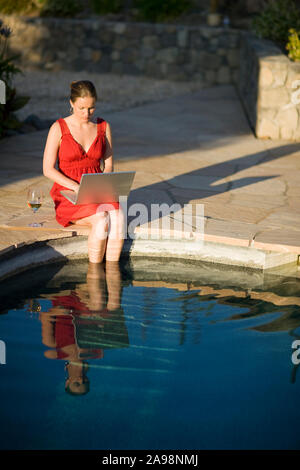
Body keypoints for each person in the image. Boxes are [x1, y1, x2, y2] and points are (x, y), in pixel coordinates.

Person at [43, 80, 125, 263]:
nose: (86, 113)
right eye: (81, 108)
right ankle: (94, 278)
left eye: (91, 108)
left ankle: (113, 279)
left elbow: (109, 165)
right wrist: (75, 186)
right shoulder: (58, 128)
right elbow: (47, 169)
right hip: (68, 192)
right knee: (101, 218)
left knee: (118, 217)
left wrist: (103, 185)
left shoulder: (103, 127)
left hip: (95, 189)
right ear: (71, 103)